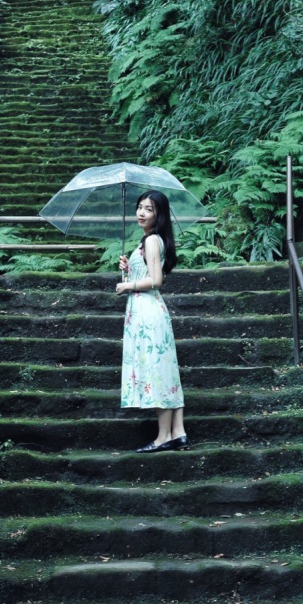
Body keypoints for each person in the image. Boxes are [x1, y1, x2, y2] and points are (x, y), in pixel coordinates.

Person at [115, 189, 188, 452]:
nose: (141, 213)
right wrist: (130, 269)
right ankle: (178, 431)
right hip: (147, 310)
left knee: (157, 372)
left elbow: (156, 280)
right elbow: (148, 273)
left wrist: (127, 285)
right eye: (139, 207)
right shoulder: (149, 241)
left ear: (159, 215)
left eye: (149, 209)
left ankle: (163, 436)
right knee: (165, 369)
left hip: (148, 313)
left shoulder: (151, 241)